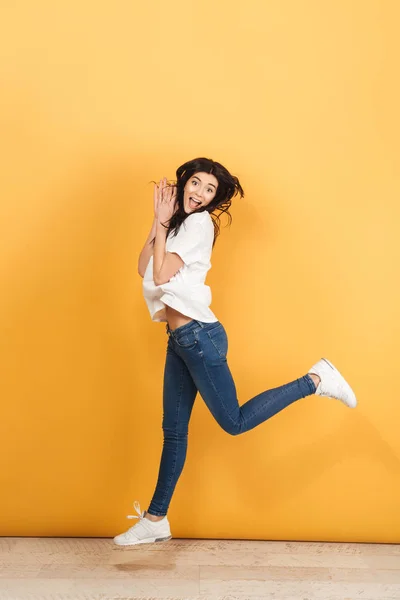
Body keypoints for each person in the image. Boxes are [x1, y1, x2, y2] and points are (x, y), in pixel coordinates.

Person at [113, 157, 357, 547]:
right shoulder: (178, 223)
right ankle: (156, 519)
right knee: (174, 432)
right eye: (195, 184)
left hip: (199, 337)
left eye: (210, 190)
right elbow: (143, 266)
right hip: (180, 340)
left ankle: (315, 379)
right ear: (183, 183)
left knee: (234, 422)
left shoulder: (199, 223)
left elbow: (159, 277)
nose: (200, 194)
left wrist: (164, 223)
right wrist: (158, 220)